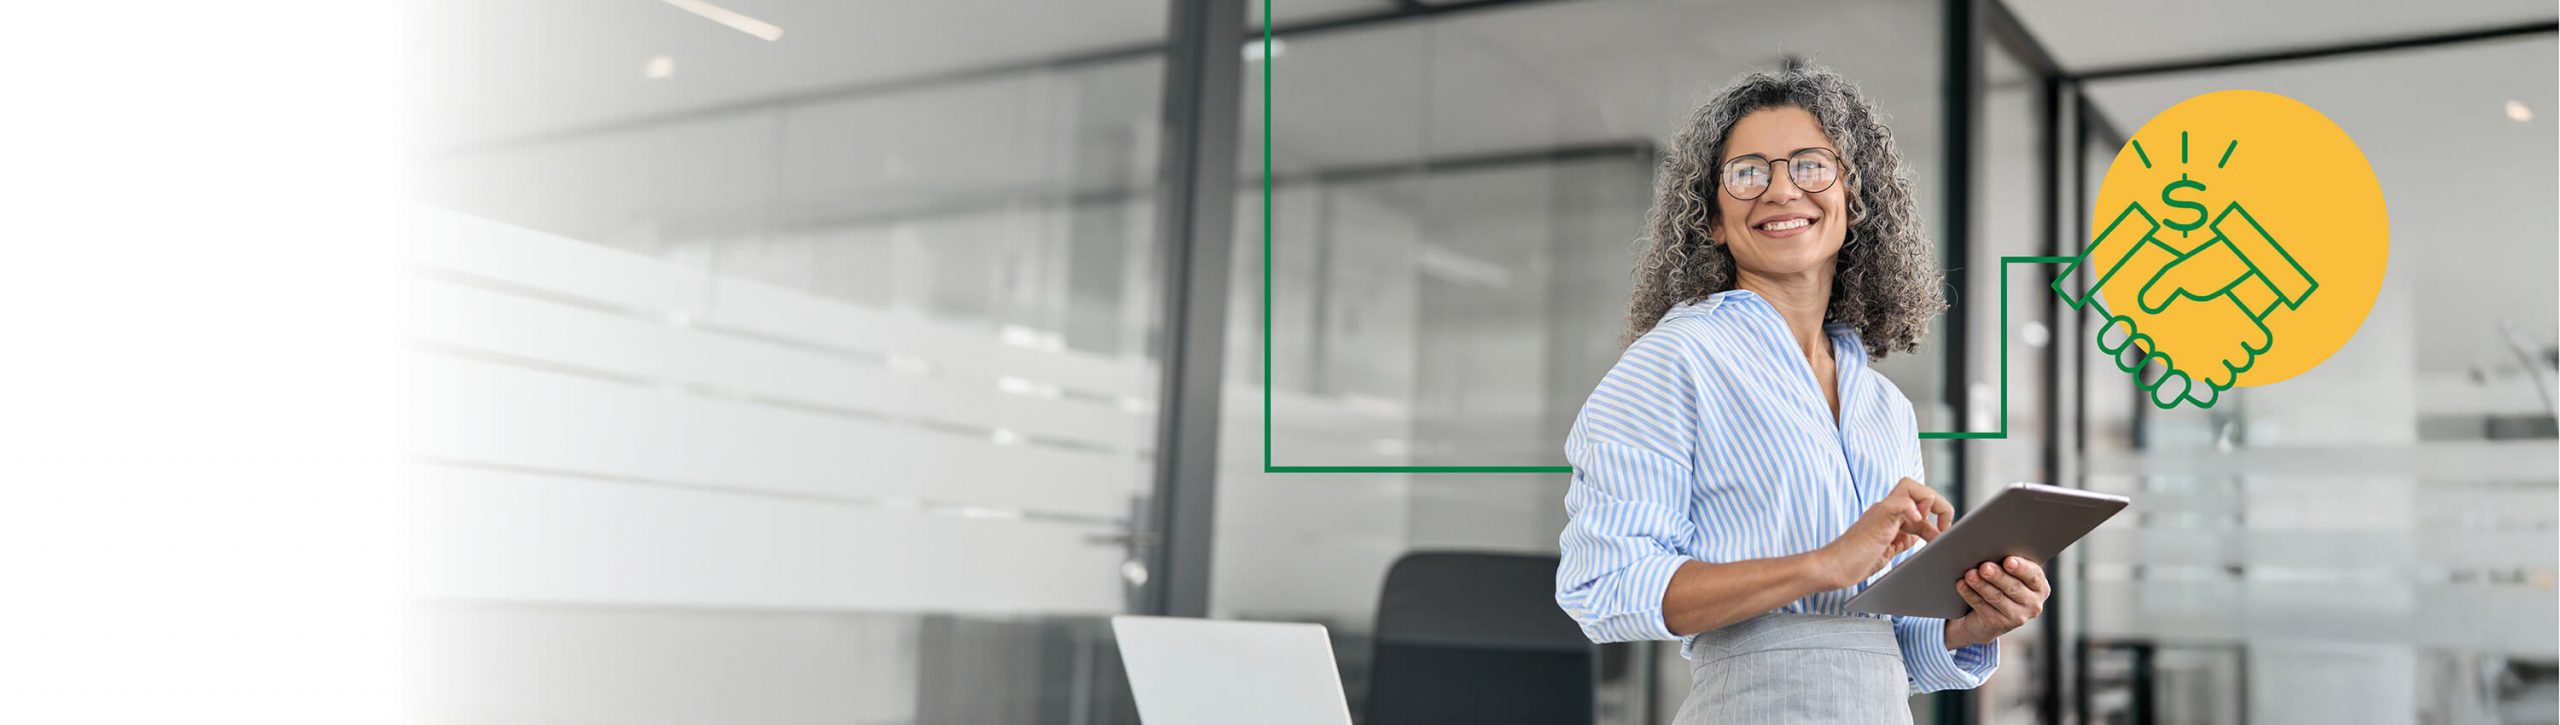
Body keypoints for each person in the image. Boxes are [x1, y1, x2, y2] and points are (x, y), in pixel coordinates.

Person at [1554, 65, 2050, 723]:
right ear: (1712, 220)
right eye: (1748, 173)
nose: (1782, 189)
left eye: (1811, 166)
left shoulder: (1884, 407)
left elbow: (1884, 650)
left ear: (1854, 200)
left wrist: (1973, 622)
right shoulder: (1675, 362)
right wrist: (1823, 564)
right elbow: (1604, 586)